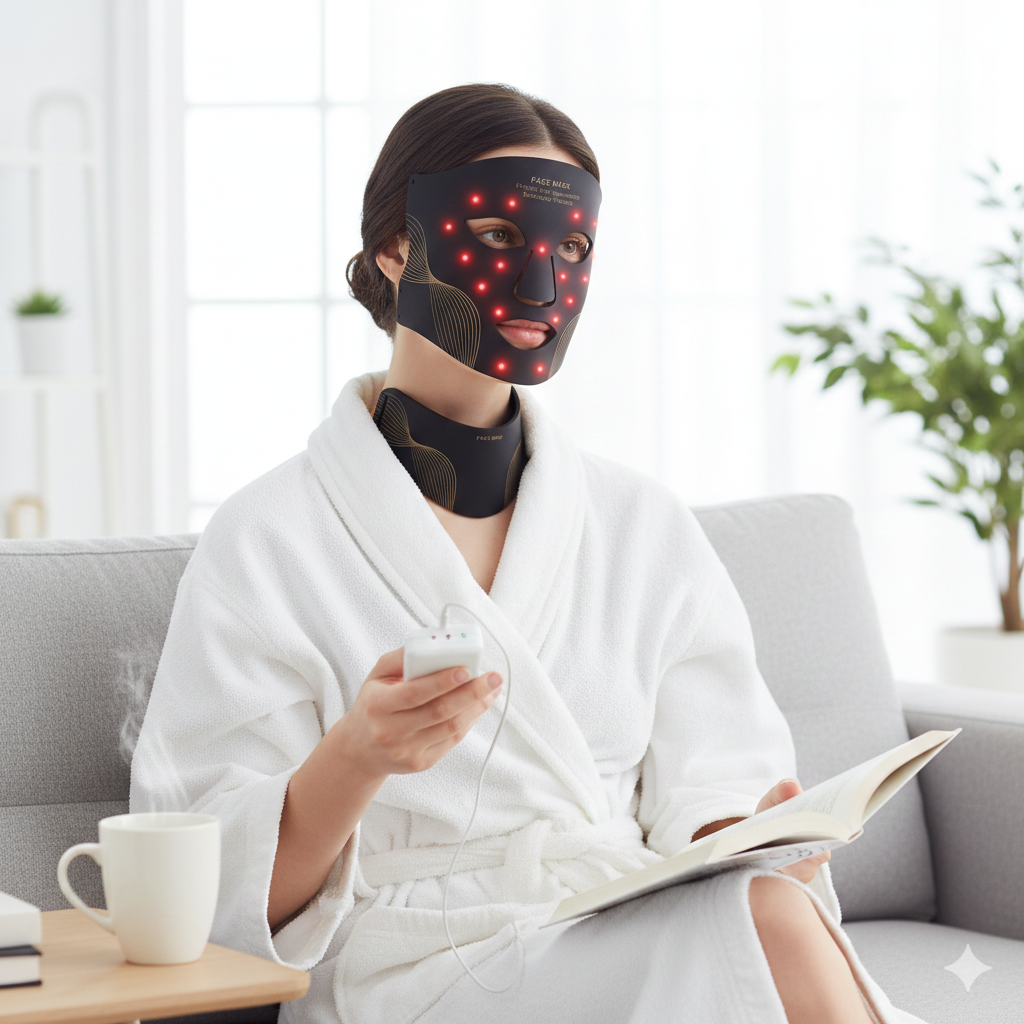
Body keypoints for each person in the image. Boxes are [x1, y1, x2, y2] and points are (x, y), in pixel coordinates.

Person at [131, 83, 927, 1024]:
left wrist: (749, 835)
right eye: (501, 236)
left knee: (767, 908)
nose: (544, 286)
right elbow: (207, 897)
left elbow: (715, 783)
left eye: (573, 248)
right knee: (769, 927)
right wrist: (356, 756)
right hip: (416, 968)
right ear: (395, 246)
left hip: (620, 916)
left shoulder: (641, 525)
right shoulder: (270, 539)